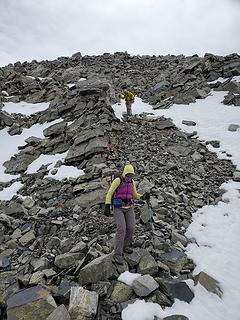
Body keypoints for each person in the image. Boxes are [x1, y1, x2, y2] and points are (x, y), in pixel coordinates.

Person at [104, 164, 150, 264]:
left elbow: (135, 195)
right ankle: (117, 254)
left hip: (129, 207)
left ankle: (125, 246)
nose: (130, 177)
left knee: (131, 227)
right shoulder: (118, 181)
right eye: (128, 175)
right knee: (121, 229)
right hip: (118, 208)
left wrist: (142, 197)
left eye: (131, 175)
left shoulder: (131, 182)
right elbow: (110, 193)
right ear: (125, 173)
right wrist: (107, 205)